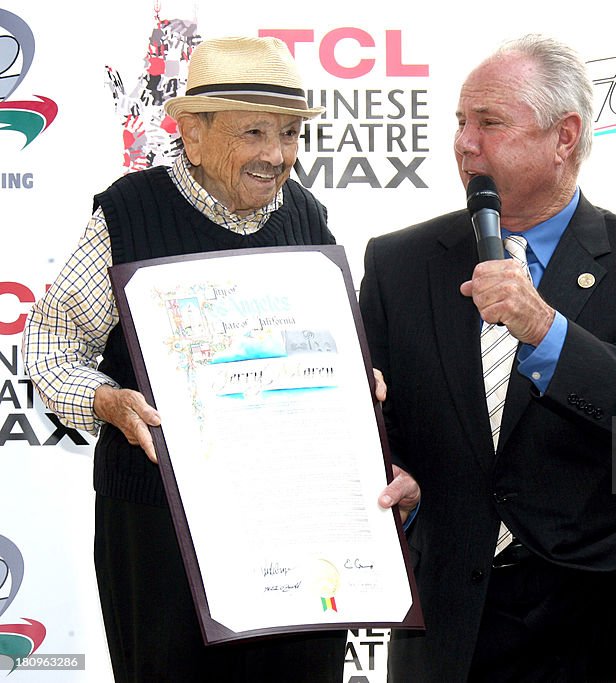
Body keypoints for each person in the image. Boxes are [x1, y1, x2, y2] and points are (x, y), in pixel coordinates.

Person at [359, 35, 616, 682]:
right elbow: (375, 422)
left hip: (601, 586)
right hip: (460, 597)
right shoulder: (398, 263)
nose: (465, 142)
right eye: (460, 122)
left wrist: (547, 330)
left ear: (564, 136)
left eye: (489, 123)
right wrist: (393, 468)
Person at [22, 36, 419, 682]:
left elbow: (332, 338)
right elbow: (51, 346)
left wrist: (355, 375)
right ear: (194, 135)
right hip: (159, 534)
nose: (278, 155)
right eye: (256, 132)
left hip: (294, 529)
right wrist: (108, 402)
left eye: (290, 134)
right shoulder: (129, 213)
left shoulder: (307, 215)